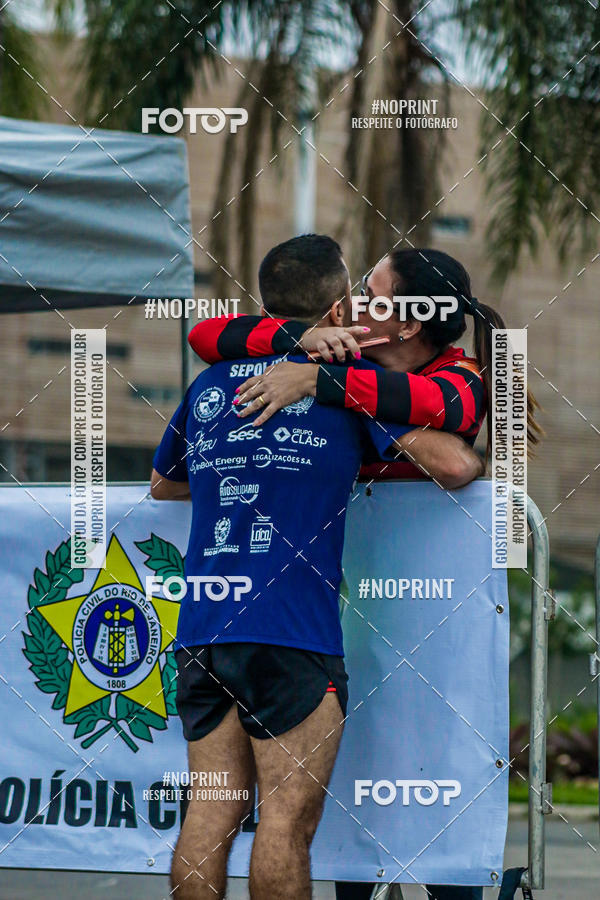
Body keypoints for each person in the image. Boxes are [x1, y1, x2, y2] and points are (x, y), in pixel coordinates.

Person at [186, 247, 543, 900]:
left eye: (371, 294)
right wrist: (304, 342)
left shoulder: (458, 374)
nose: (351, 304)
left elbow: (455, 434)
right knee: (341, 829)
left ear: (409, 323)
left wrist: (320, 384)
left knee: (433, 809)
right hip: (327, 623)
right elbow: (208, 334)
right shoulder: (344, 351)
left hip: (430, 629)